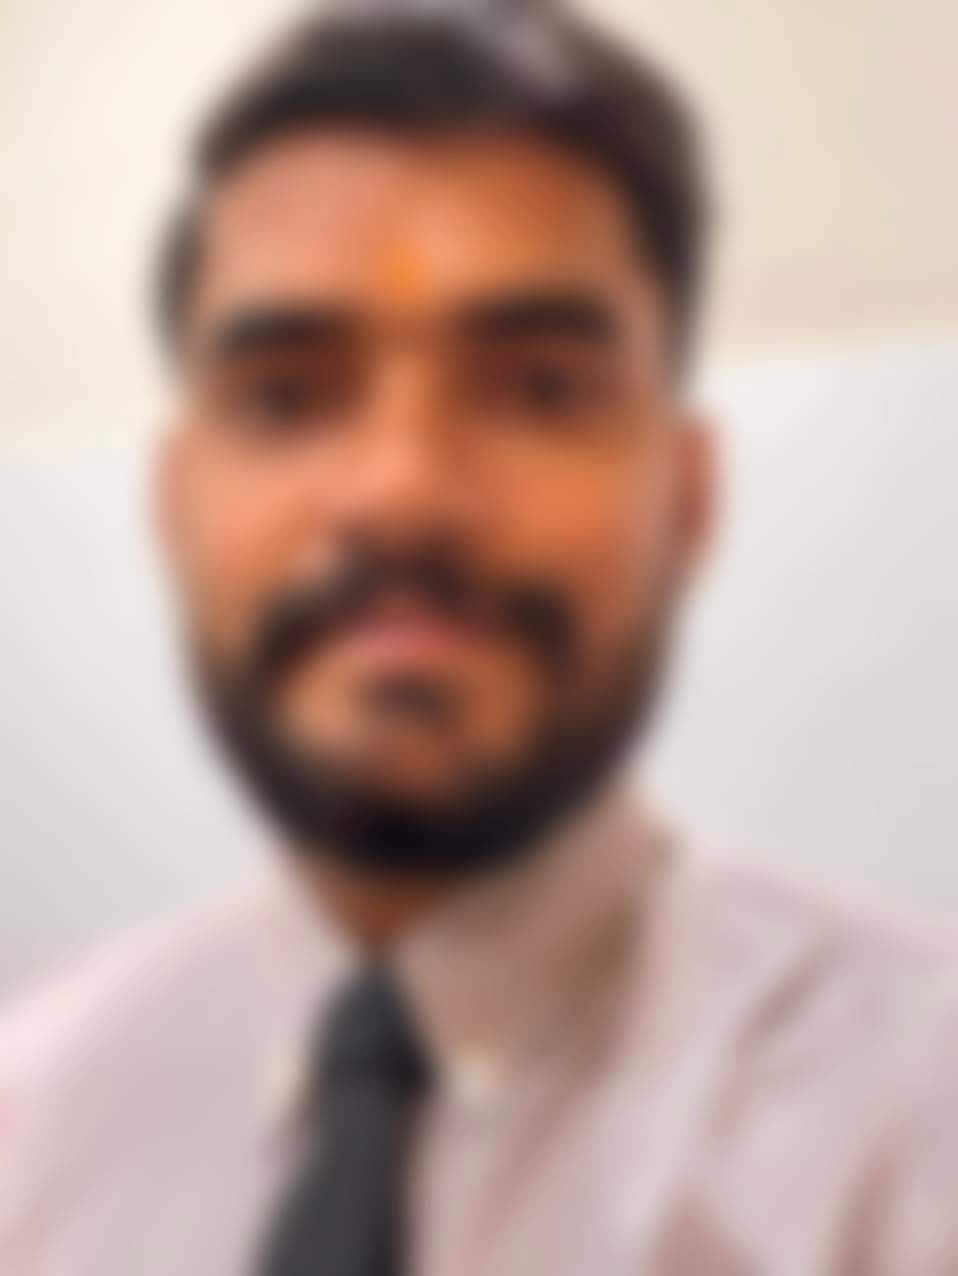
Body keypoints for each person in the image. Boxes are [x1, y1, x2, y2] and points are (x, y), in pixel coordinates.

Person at [2, 2, 957, 1273]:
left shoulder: (916, 1134)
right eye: (284, 396)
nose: (400, 490)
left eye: (540, 387)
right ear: (176, 504)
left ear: (684, 495)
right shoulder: (29, 1126)